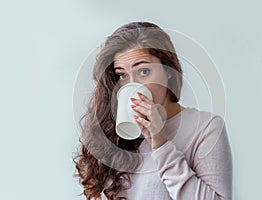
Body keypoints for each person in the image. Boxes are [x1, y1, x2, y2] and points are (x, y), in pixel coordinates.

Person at [74, 21, 232, 200]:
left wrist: (161, 144)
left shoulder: (206, 128)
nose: (132, 84)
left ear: (169, 70)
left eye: (143, 72)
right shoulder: (112, 132)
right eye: (122, 75)